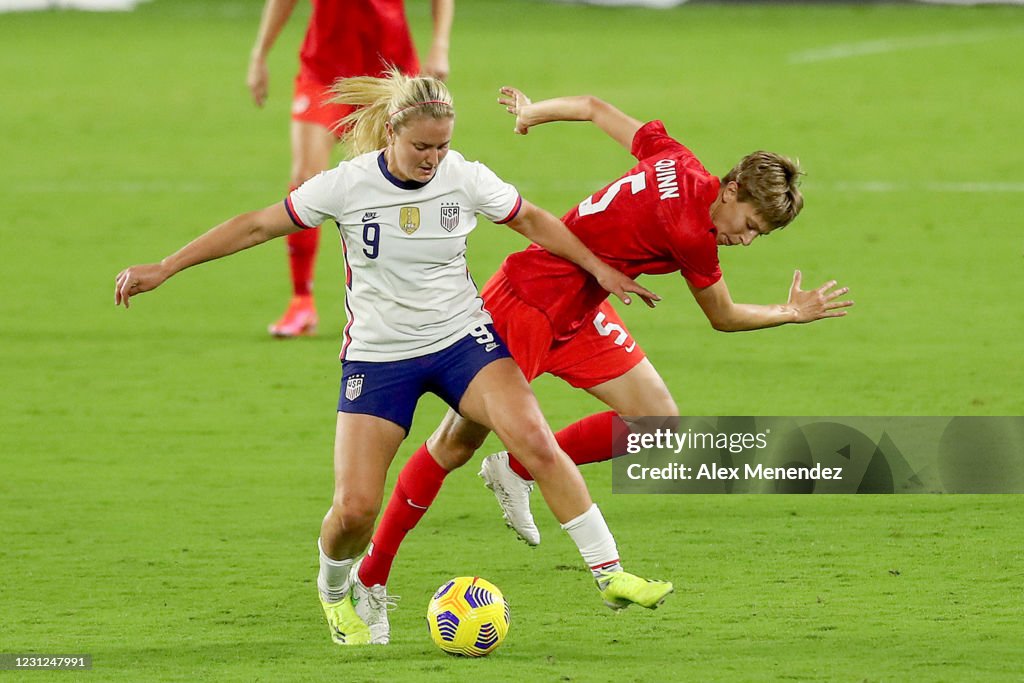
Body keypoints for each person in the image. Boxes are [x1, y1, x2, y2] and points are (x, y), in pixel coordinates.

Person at [115, 72, 673, 647]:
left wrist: (598, 267)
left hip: (462, 341)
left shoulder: (464, 178)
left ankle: (611, 574)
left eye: (443, 146)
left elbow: (531, 218)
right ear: (391, 132)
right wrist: (166, 266)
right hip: (379, 357)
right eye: (422, 147)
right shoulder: (346, 185)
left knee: (533, 439)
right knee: (354, 510)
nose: (434, 158)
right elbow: (257, 224)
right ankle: (337, 589)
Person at [351, 85, 853, 599]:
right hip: (527, 301)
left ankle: (515, 468)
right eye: (749, 225)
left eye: (758, 236)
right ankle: (371, 577)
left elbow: (592, 108)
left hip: (584, 304)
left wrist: (533, 112)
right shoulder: (690, 233)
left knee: (657, 421)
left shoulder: (678, 158)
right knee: (455, 443)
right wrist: (792, 312)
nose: (745, 240)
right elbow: (722, 316)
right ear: (731, 191)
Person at [247, 0, 454, 337]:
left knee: (398, 185)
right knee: (304, 179)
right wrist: (260, 53)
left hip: (391, 74)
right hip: (324, 71)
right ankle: (301, 301)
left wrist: (440, 45)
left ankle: (406, 301)